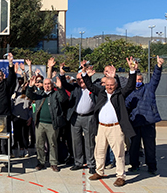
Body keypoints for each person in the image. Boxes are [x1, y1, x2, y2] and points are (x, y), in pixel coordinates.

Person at [82, 58, 137, 187]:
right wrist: (84, 72)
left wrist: (132, 71)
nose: (109, 87)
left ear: (116, 85)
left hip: (115, 128)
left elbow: (130, 86)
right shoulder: (101, 92)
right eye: (107, 85)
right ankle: (99, 171)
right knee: (99, 151)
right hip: (101, 127)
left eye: (112, 85)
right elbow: (89, 85)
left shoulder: (119, 94)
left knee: (118, 153)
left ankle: (120, 176)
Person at [126, 56, 164, 175]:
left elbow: (156, 78)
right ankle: (134, 165)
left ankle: (152, 166)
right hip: (135, 123)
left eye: (140, 79)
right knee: (134, 147)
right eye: (136, 79)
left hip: (148, 123)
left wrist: (158, 67)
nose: (138, 81)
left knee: (150, 146)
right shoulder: (129, 92)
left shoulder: (149, 88)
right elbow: (126, 105)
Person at [59, 63, 97, 174]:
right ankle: (78, 162)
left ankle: (91, 164)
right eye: (78, 79)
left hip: (89, 117)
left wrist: (88, 76)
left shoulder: (93, 88)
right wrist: (62, 73)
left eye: (81, 79)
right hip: (76, 117)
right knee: (76, 141)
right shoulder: (75, 88)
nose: (80, 81)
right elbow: (65, 84)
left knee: (89, 142)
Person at [26, 76, 68, 172]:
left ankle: (53, 163)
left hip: (52, 124)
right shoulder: (39, 94)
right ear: (43, 85)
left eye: (49, 84)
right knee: (39, 144)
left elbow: (64, 99)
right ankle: (41, 162)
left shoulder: (56, 94)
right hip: (40, 123)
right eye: (45, 84)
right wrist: (30, 86)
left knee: (52, 143)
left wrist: (61, 88)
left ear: (52, 85)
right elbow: (29, 95)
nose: (47, 86)